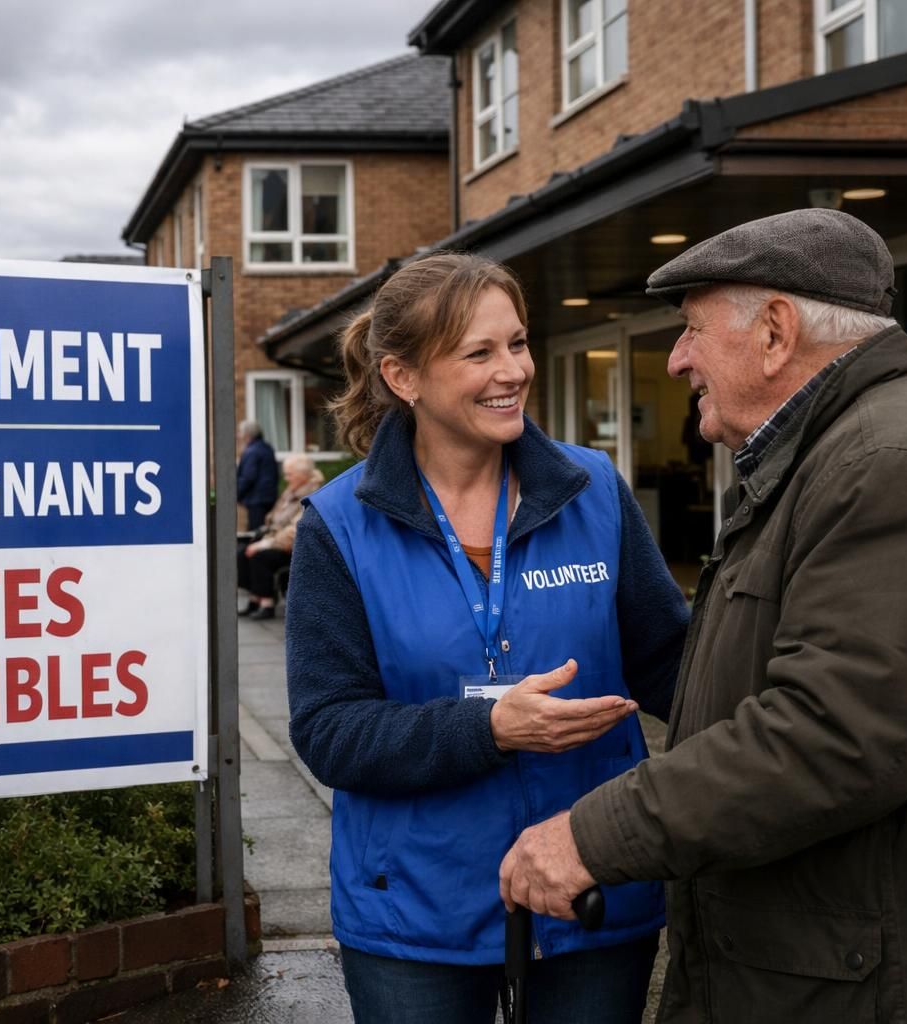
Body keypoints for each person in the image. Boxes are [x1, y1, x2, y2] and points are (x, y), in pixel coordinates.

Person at [499, 209, 907, 1022]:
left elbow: (834, 732)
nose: (675, 360)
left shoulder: (891, 465)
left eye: (693, 329)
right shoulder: (842, 452)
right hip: (843, 958)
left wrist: (595, 836)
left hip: (889, 978)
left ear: (775, 331)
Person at [285, 252, 690, 1023]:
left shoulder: (593, 490)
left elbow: (671, 661)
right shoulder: (340, 527)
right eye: (479, 353)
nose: (513, 371)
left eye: (518, 342)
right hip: (415, 914)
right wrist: (489, 728)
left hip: (591, 888)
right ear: (404, 378)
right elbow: (329, 729)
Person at [238, 452, 323, 620]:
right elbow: (275, 516)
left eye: (289, 474)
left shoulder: (311, 495)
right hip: (277, 539)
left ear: (303, 475)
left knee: (260, 557)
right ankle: (255, 598)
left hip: (296, 547)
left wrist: (266, 544)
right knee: (241, 554)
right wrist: (265, 532)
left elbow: (296, 530)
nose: (286, 477)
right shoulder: (291, 491)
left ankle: (267, 603)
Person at [236, 419, 279, 532]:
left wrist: (235, 494)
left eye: (240, 432)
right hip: (267, 497)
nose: (238, 435)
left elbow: (248, 477)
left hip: (257, 500)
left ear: (247, 434)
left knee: (255, 532)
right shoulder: (267, 447)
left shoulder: (252, 451)